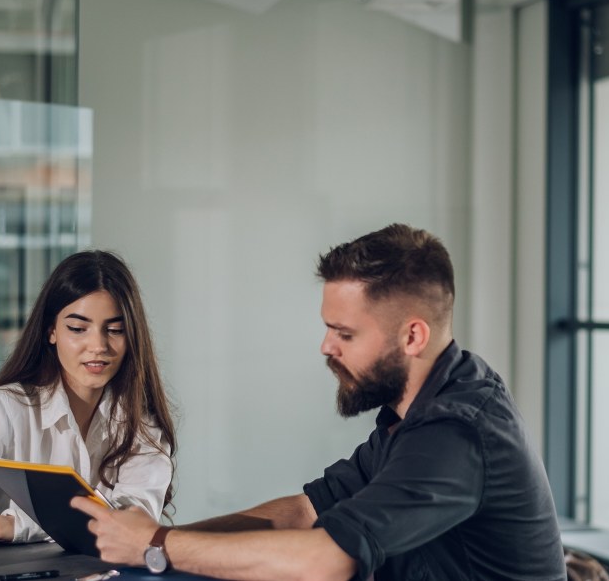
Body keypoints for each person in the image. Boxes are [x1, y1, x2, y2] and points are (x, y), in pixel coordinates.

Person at [73, 224, 566, 581]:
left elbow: (327, 561)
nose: (326, 347)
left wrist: (155, 546)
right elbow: (304, 511)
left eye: (344, 333)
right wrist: (141, 540)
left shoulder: (455, 432)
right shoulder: (415, 410)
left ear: (413, 335)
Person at [0, 250, 178, 572]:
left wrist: (17, 526)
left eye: (114, 330)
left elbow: (130, 526)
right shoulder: (1, 410)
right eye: (78, 328)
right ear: (51, 331)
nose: (98, 346)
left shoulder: (142, 424)